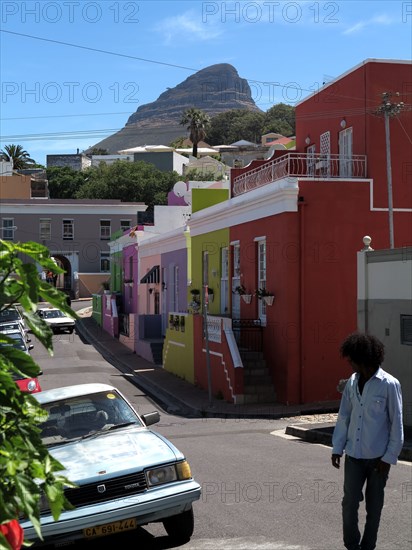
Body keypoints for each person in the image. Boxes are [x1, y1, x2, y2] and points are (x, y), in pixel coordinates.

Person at [331, 332, 404, 550]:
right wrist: (337, 448)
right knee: (349, 503)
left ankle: (368, 546)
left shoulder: (389, 384)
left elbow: (397, 423)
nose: (350, 363)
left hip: (377, 460)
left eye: (352, 359)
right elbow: (344, 416)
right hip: (353, 455)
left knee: (374, 507)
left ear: (363, 359)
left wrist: (389, 457)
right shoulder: (352, 383)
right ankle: (352, 545)